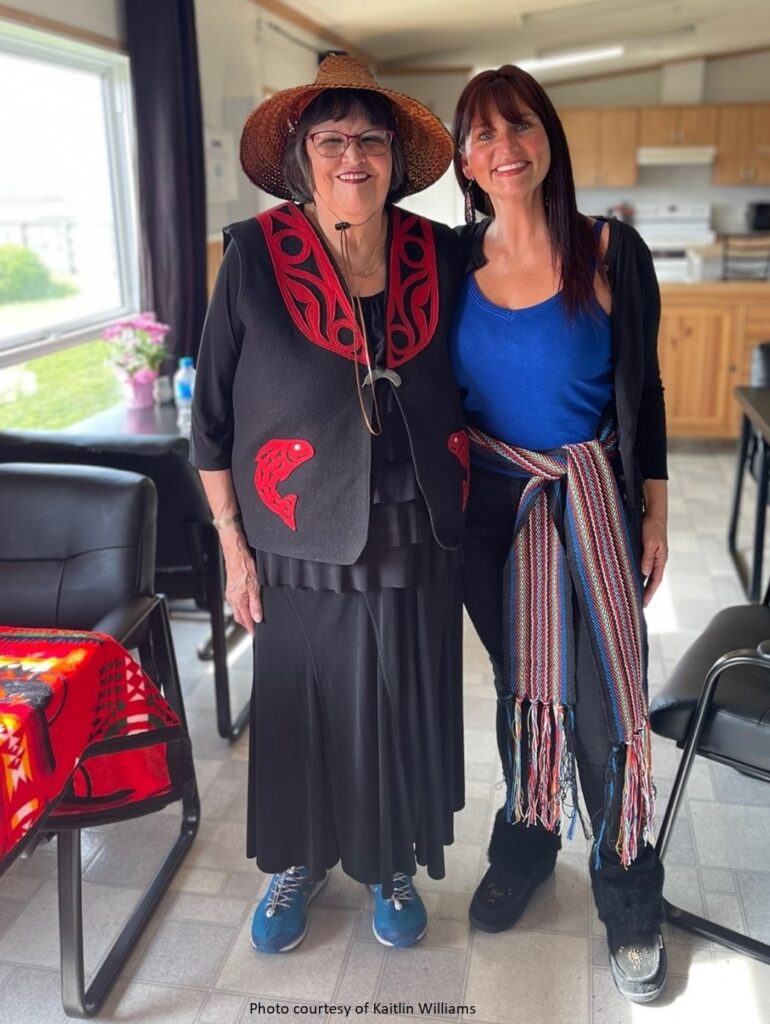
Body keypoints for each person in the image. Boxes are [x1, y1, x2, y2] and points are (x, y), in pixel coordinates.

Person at [190, 54, 469, 955]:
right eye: (332, 140)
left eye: (371, 140)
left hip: (414, 529)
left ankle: (389, 859)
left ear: (394, 156)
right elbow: (212, 421)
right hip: (296, 537)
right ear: (303, 158)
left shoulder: (442, 253)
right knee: (303, 704)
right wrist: (234, 549)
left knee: (397, 700)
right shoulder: (253, 257)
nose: (354, 157)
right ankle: (298, 863)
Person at [448, 66, 669, 1004]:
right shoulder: (450, 262)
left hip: (589, 502)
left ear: (548, 137)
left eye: (521, 125)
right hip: (492, 514)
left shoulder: (611, 250)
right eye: (485, 134)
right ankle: (529, 839)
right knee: (525, 690)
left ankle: (628, 895)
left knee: (604, 707)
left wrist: (653, 506)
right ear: (463, 159)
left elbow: (644, 389)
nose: (506, 147)